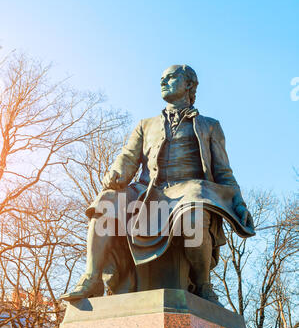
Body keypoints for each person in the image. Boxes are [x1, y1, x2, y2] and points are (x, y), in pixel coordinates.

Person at [61, 64, 254, 304]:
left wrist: (238, 202)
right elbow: (127, 158)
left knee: (193, 214)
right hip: (147, 192)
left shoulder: (210, 125)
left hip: (189, 190)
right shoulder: (145, 125)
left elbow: (224, 172)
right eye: (162, 78)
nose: (163, 82)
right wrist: (115, 173)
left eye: (172, 77)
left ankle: (203, 285)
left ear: (189, 85)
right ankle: (91, 277)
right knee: (106, 202)